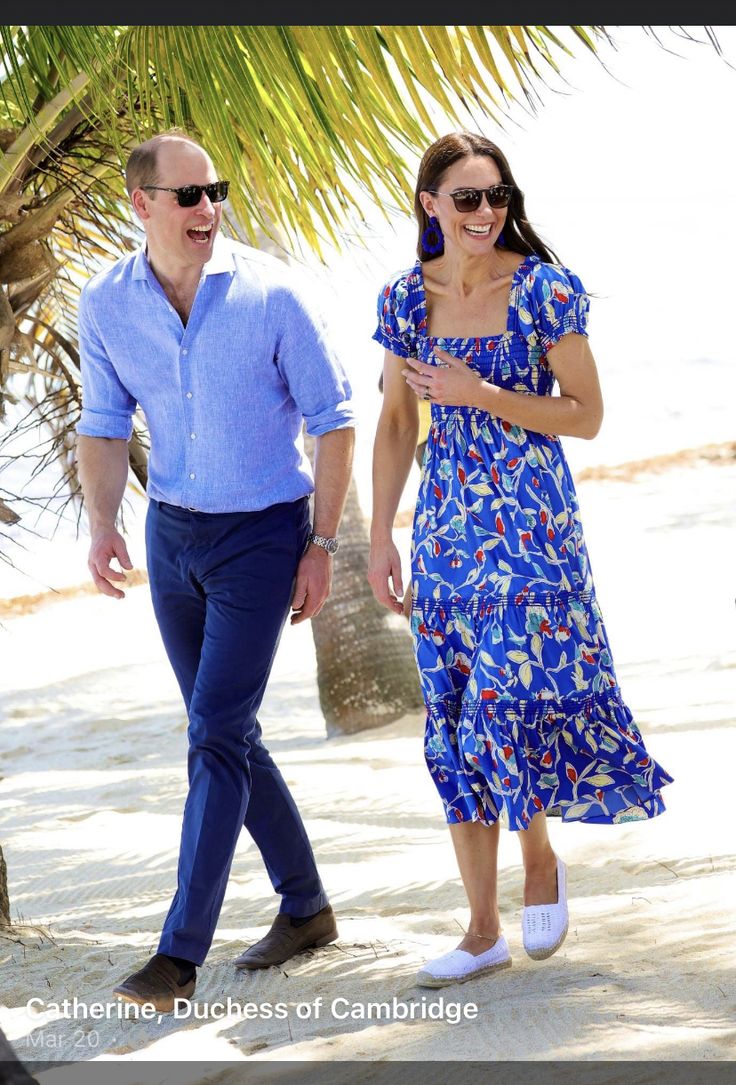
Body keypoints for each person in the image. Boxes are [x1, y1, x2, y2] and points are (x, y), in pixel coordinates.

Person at [368, 131, 672, 988]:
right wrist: (380, 532)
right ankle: (480, 930)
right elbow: (396, 423)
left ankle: (538, 861)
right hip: (445, 540)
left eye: (496, 196)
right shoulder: (403, 302)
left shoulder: (542, 291)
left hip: (535, 538)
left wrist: (481, 393)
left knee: (505, 709)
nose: (485, 212)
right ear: (429, 203)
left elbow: (586, 414)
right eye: (466, 197)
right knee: (455, 723)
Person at [76, 131, 355, 1012]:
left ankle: (176, 957)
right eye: (188, 196)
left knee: (213, 735)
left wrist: (322, 544)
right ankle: (306, 906)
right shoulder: (106, 303)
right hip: (172, 540)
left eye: (214, 193)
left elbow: (335, 420)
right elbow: (105, 421)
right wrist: (99, 526)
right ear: (143, 205)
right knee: (226, 730)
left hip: (264, 538)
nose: (207, 209)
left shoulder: (273, 294)